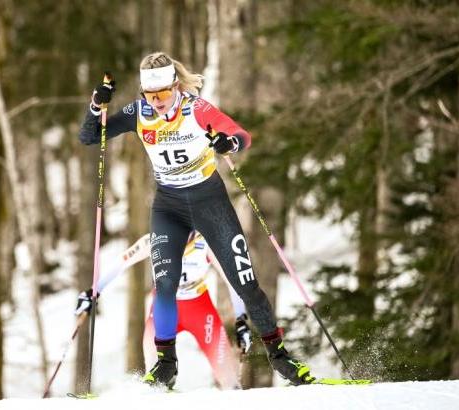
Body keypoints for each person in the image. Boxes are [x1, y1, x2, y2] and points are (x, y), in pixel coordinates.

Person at [79, 51, 315, 387]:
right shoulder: (139, 112)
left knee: (246, 283)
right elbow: (90, 136)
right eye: (150, 95)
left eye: (162, 94)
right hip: (169, 207)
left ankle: (279, 357)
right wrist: (95, 106)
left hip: (209, 202)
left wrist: (228, 142)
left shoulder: (195, 108)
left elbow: (241, 135)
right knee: (164, 285)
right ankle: (166, 363)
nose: (157, 102)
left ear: (175, 86)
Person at [75, 231, 253, 390]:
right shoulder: (154, 240)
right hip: (163, 309)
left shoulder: (206, 242)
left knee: (231, 383)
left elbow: (231, 280)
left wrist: (241, 319)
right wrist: (93, 291)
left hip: (199, 310)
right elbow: (123, 261)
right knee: (156, 381)